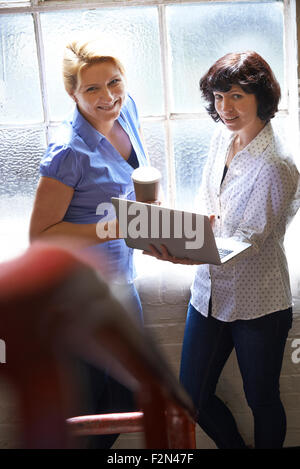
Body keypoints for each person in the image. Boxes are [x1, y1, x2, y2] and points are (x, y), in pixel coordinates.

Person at [145, 51, 300, 448]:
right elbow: (212, 208)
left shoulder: (278, 166)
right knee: (191, 397)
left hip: (259, 302)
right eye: (218, 97)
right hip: (208, 292)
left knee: (262, 399)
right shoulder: (221, 138)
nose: (224, 108)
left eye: (235, 96)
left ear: (260, 97)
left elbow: (250, 240)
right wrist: (168, 226)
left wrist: (185, 251)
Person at [29, 38, 150, 447]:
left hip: (121, 284)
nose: (109, 96)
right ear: (73, 94)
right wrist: (115, 228)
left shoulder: (125, 110)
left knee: (126, 397)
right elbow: (40, 236)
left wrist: (167, 228)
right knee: (101, 406)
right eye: (93, 89)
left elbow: (135, 183)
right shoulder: (68, 151)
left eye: (114, 82)